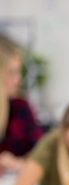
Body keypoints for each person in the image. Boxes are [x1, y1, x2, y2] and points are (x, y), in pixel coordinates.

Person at [0, 34, 42, 172]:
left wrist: (18, 163)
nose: (18, 79)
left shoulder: (20, 108)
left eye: (19, 72)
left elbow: (42, 157)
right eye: (11, 73)